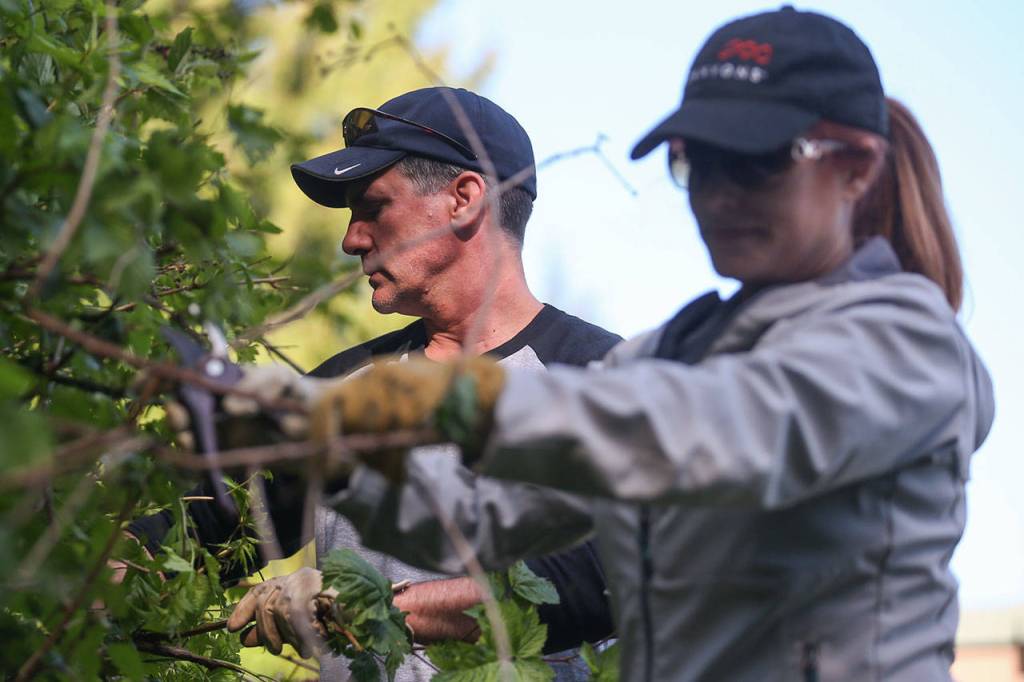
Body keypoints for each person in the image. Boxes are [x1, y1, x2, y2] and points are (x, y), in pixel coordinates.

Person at [226, 7, 995, 681]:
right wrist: (317, 449)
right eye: (697, 162)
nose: (719, 195)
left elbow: (715, 431)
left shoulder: (905, 344)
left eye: (756, 160)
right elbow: (473, 518)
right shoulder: (669, 356)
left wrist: (451, 397)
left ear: (856, 167)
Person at [130, 87, 619, 680]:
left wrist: (372, 608)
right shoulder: (342, 387)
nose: (351, 238)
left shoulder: (601, 381)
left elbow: (602, 582)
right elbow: (202, 520)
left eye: (374, 207)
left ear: (464, 198)